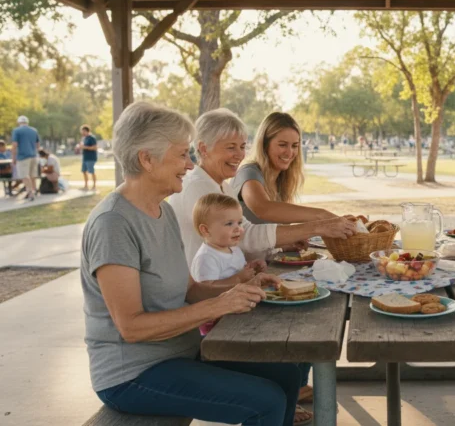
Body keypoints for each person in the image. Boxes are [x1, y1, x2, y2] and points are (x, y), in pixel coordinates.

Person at [81, 101, 303, 426]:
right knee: (266, 401)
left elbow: (191, 289)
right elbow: (131, 327)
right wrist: (219, 306)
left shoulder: (163, 209)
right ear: (147, 159)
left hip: (180, 353)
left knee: (287, 373)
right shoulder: (113, 223)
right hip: (131, 373)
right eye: (182, 154)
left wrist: (241, 286)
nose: (189, 165)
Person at [168, 108, 355, 267]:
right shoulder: (198, 185)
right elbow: (244, 236)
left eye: (242, 147)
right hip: (203, 291)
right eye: (231, 147)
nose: (239, 155)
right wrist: (318, 226)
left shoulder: (223, 186)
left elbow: (242, 235)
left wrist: (276, 247)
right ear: (203, 149)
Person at [232, 112, 338, 225]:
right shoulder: (248, 172)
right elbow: (264, 209)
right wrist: (322, 215)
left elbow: (273, 232)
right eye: (282, 145)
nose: (289, 152)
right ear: (264, 145)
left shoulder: (281, 180)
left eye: (294, 146)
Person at [190, 193, 267, 336]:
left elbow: (239, 270)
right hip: (216, 324)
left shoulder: (234, 249)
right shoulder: (207, 257)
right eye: (229, 224)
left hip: (236, 310)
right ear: (206, 230)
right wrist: (238, 278)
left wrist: (252, 267)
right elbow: (206, 291)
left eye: (239, 222)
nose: (238, 228)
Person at [11, 115, 40, 201]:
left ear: (19, 122)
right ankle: (34, 191)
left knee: (24, 175)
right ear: (27, 122)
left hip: (22, 156)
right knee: (32, 175)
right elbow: (37, 145)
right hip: (33, 156)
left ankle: (30, 193)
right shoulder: (34, 130)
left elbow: (14, 145)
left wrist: (13, 157)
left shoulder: (16, 131)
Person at [80, 125, 99, 190]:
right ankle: (86, 186)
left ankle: (94, 186)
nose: (82, 133)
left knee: (91, 171)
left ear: (87, 131)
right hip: (85, 158)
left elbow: (95, 147)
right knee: (84, 171)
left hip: (91, 158)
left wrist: (85, 147)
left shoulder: (92, 138)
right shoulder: (85, 138)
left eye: (83, 131)